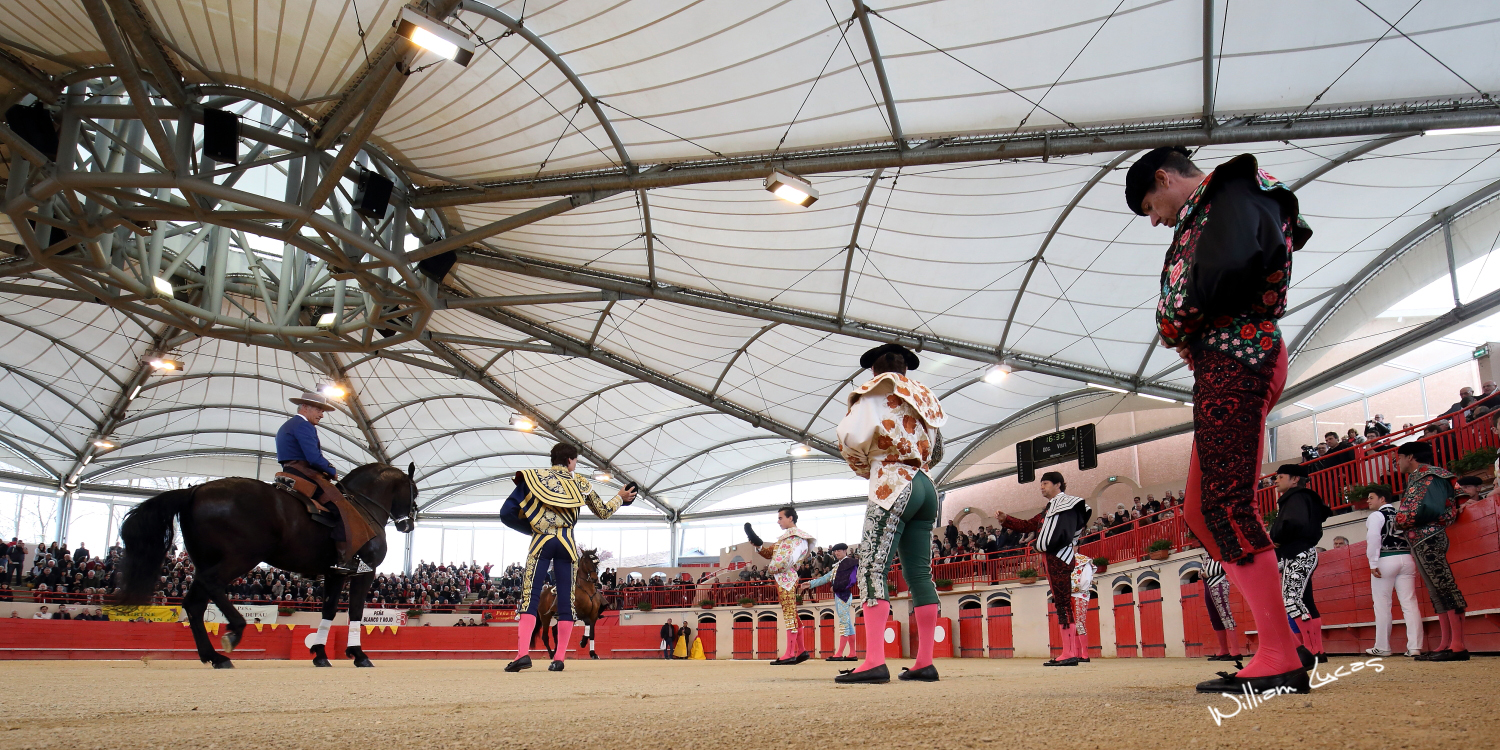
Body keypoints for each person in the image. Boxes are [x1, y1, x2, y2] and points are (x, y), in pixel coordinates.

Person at [1127, 145, 1314, 695]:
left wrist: (1178, 322)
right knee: (1200, 510)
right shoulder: (1227, 199)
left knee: (1227, 504)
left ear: (1164, 178)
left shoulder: (1231, 191)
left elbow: (1229, 266)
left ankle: (1279, 654)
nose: (1156, 220)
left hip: (1239, 352)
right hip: (1229, 356)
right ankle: (1284, 642)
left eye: (1150, 206)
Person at [834, 343, 946, 684]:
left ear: (874, 370)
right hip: (926, 484)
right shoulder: (926, 396)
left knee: (872, 568)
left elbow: (849, 438)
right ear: (905, 369)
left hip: (892, 482)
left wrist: (867, 467)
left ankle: (874, 661)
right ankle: (924, 661)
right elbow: (938, 451)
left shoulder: (872, 391)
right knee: (921, 574)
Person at [500, 442, 636, 673]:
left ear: (553, 459)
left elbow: (506, 513)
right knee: (566, 601)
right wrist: (620, 497)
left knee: (530, 598)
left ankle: (523, 654)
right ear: (571, 461)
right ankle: (559, 658)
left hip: (541, 541)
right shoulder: (579, 482)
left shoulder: (533, 478)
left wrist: (532, 529)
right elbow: (603, 511)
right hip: (567, 544)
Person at [996, 471, 1091, 667]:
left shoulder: (1066, 505)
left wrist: (1043, 545)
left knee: (1063, 603)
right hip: (1054, 556)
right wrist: (1007, 519)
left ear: (1058, 484)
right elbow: (1028, 525)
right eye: (1041, 484)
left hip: (1059, 556)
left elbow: (1063, 534)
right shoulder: (1051, 509)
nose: (1041, 487)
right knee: (1062, 603)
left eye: (1045, 483)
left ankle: (1069, 652)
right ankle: (1070, 651)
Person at [276, 389, 373, 575]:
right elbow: (313, 458)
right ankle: (344, 559)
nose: (321, 415)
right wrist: (331, 470)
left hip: (288, 471)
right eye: (319, 410)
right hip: (303, 472)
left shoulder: (288, 425)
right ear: (305, 407)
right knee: (341, 507)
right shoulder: (304, 426)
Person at [1392, 442, 1468, 661]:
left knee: (1444, 587)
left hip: (1430, 537)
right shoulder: (1421, 477)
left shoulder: (1430, 476)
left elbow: (1427, 509)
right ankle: (1446, 643)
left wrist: (1399, 521)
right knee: (1437, 590)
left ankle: (1458, 645)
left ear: (1410, 457)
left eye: (1399, 458)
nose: (1397, 463)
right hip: (1422, 538)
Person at [1270, 464, 1331, 663]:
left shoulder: (1295, 497)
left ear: (1295, 479)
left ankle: (1311, 651)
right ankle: (1317, 650)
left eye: (1281, 476)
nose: (1276, 480)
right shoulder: (1304, 497)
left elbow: (1293, 523)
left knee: (1292, 600)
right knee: (1305, 601)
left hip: (1296, 552)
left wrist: (1277, 538)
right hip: (1303, 551)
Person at [745, 506, 816, 665]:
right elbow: (769, 553)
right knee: (792, 613)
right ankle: (802, 650)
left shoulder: (797, 538)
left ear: (790, 518)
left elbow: (786, 560)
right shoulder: (786, 538)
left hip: (787, 578)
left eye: (780, 518)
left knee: (789, 613)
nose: (778, 521)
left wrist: (771, 568)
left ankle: (790, 653)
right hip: (784, 578)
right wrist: (758, 545)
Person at [1363, 486, 1422, 658]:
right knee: (1409, 603)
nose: (1368, 501)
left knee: (1382, 604)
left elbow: (1373, 538)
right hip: (1406, 558)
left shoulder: (1376, 516)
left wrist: (1372, 562)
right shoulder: (1401, 514)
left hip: (1385, 559)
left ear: (1382, 499)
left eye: (1371, 497)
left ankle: (1383, 647)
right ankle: (1415, 647)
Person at [800, 542, 858, 661]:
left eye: (839, 551)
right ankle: (852, 653)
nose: (836, 553)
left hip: (843, 595)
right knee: (847, 624)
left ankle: (839, 653)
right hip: (840, 595)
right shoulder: (839, 565)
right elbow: (826, 578)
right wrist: (810, 584)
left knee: (844, 623)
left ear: (845, 551)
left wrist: (837, 587)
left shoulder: (850, 563)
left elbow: (852, 579)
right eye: (835, 551)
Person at [1198, 555, 1240, 662]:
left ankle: (1235, 651)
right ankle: (1224, 650)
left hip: (1219, 583)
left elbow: (1225, 565)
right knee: (1215, 618)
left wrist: (1207, 572)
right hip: (1208, 585)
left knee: (1225, 615)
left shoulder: (1219, 551)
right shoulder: (1207, 553)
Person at [1069, 551, 1094, 663]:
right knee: (1073, 624)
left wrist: (1078, 588)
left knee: (1079, 623)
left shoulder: (1084, 561)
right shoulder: (1067, 560)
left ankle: (1084, 654)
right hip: (1072, 595)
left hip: (1080, 594)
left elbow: (1086, 580)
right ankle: (1077, 653)